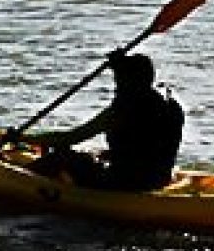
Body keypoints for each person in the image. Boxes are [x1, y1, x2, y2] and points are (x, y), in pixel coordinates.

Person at [23, 52, 184, 191]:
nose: (116, 87)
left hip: (124, 183)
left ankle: (21, 179)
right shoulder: (170, 106)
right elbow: (146, 147)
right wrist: (120, 65)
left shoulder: (124, 110)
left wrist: (24, 138)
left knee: (63, 156)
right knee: (89, 154)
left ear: (130, 82)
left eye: (119, 81)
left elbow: (71, 138)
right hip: (160, 179)